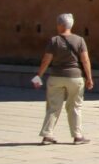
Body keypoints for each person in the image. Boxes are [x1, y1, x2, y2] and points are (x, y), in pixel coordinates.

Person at [33, 13, 94, 145]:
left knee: (53, 107)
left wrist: (39, 75)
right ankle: (77, 136)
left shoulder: (54, 41)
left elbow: (46, 60)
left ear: (60, 25)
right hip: (75, 78)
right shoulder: (79, 40)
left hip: (56, 77)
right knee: (75, 106)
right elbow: (85, 60)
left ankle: (47, 135)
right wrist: (89, 78)